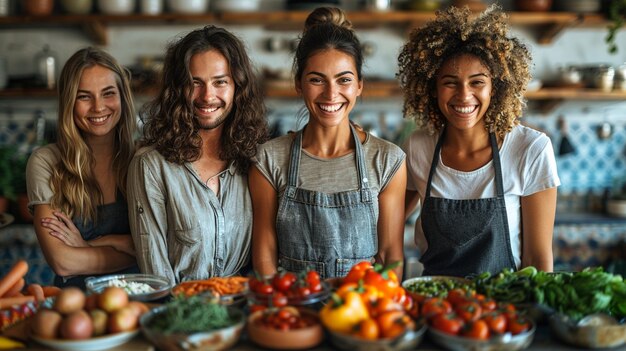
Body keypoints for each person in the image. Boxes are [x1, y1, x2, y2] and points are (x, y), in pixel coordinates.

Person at [398, 5, 560, 277]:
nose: (464, 95)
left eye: (477, 82)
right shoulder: (417, 147)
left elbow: (537, 257)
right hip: (437, 304)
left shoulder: (530, 149)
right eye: (450, 82)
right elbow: (383, 225)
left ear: (495, 87)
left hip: (503, 308)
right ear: (432, 87)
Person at [250, 7, 407, 280]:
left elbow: (390, 256)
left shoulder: (387, 160)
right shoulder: (268, 159)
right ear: (299, 84)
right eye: (316, 80)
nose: (331, 94)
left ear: (359, 85)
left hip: (362, 312)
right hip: (293, 310)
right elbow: (265, 257)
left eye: (344, 80)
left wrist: (379, 309)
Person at [127, 25, 269, 284]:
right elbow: (155, 272)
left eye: (220, 82)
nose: (207, 96)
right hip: (181, 313)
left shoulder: (256, 160)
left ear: (238, 87)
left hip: (246, 309)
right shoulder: (151, 166)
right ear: (177, 89)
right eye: (195, 83)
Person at [26, 47, 138, 288]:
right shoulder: (46, 162)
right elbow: (63, 262)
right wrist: (131, 245)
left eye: (108, 93)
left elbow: (167, 249)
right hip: (74, 304)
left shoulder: (143, 158)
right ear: (69, 102)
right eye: (84, 96)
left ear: (122, 97)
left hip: (143, 298)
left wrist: (90, 245)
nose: (98, 107)